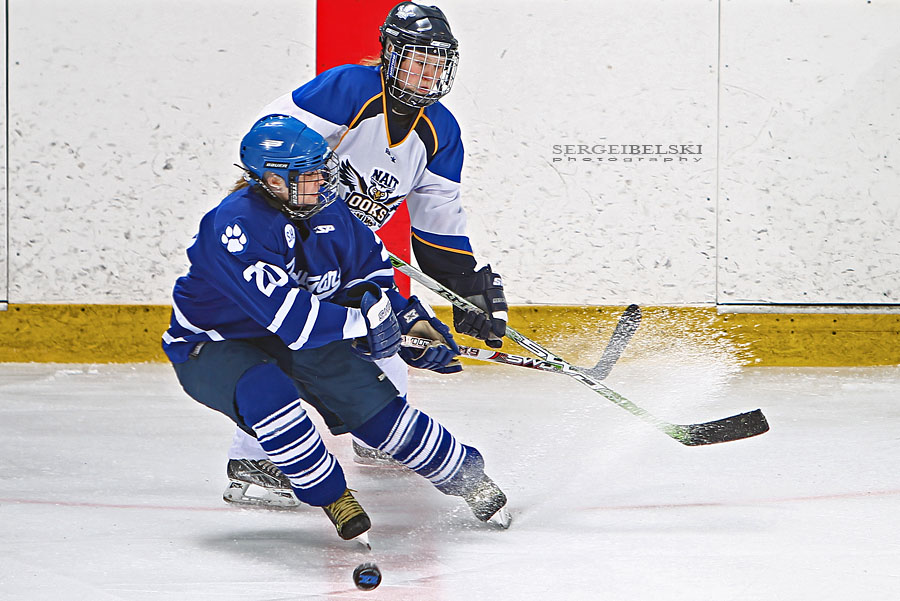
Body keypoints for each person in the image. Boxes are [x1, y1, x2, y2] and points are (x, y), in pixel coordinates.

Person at [162, 114, 510, 542]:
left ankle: (467, 477)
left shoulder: (331, 210)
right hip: (216, 344)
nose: (321, 181)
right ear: (271, 180)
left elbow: (373, 276)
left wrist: (413, 323)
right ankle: (333, 495)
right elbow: (295, 322)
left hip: (305, 332)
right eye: (306, 174)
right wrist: (367, 324)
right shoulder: (236, 226)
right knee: (267, 393)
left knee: (373, 407)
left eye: (320, 169)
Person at [222, 1, 511, 506]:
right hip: (284, 237)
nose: (427, 73)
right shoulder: (347, 90)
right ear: (390, 55)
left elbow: (438, 220)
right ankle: (256, 459)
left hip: (346, 253)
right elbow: (270, 144)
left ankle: (373, 433)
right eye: (416, 59)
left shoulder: (441, 132)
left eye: (437, 63)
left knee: (383, 344)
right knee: (296, 342)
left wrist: (467, 287)